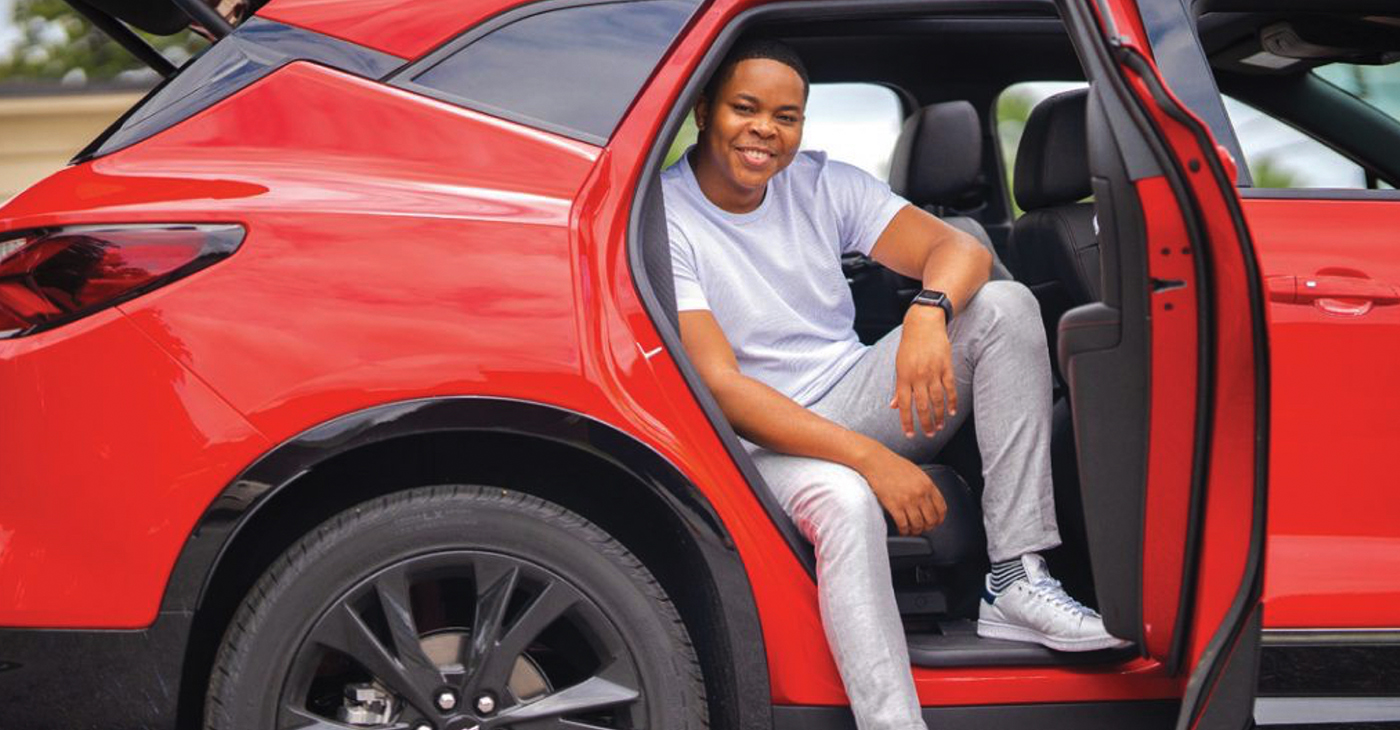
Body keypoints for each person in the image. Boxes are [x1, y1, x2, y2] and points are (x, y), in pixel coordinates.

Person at [662, 39, 1129, 730]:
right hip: (754, 440)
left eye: (787, 116)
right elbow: (722, 388)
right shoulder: (667, 216)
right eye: (745, 108)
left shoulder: (824, 183)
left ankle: (1015, 579)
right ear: (705, 110)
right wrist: (872, 461)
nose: (766, 130)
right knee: (848, 501)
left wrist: (927, 313)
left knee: (1004, 306)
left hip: (852, 392)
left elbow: (960, 250)